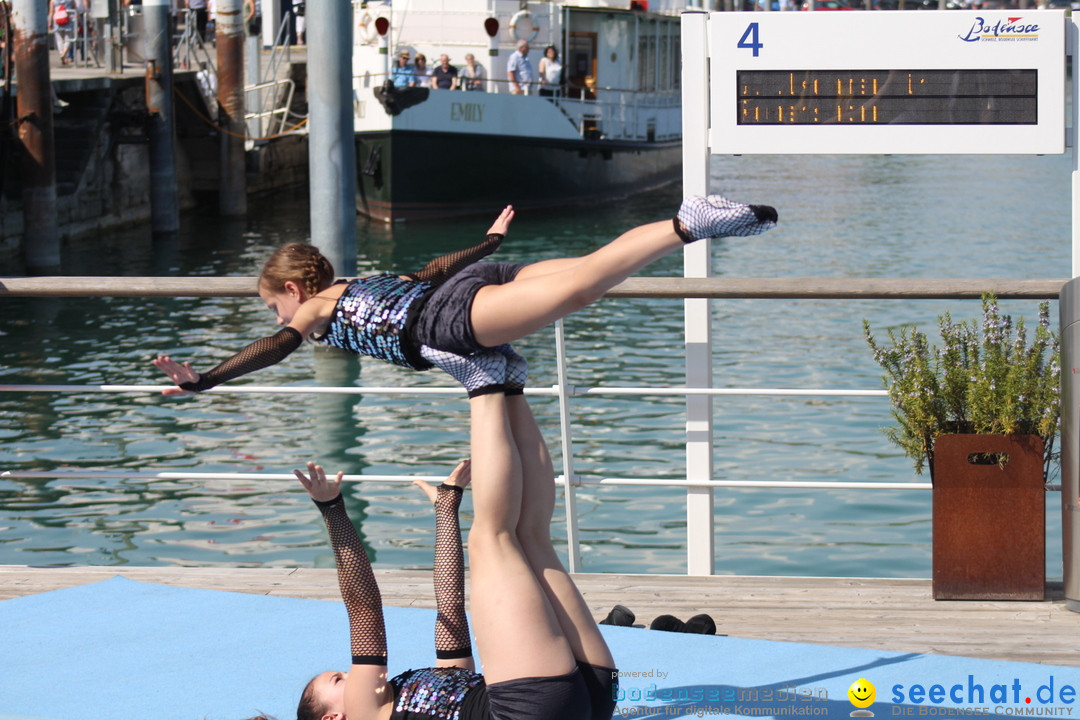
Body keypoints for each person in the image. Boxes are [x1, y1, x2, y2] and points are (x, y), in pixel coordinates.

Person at [151, 196, 777, 398]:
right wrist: (485, 246)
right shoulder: (352, 284)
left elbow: (273, 349)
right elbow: (427, 270)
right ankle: (695, 220)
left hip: (451, 320)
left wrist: (205, 379)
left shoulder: (316, 311)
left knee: (587, 284)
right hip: (462, 287)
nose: (281, 318)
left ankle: (687, 225)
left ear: (293, 290)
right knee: (586, 269)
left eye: (275, 304)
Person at [293, 368, 621, 719]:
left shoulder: (407, 692)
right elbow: (364, 609)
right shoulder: (365, 711)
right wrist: (331, 509)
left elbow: (450, 605)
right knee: (491, 537)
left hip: (577, 699)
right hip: (528, 707)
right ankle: (483, 378)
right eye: (339, 679)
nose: (350, 672)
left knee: (531, 536)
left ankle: (510, 385)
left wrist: (447, 507)